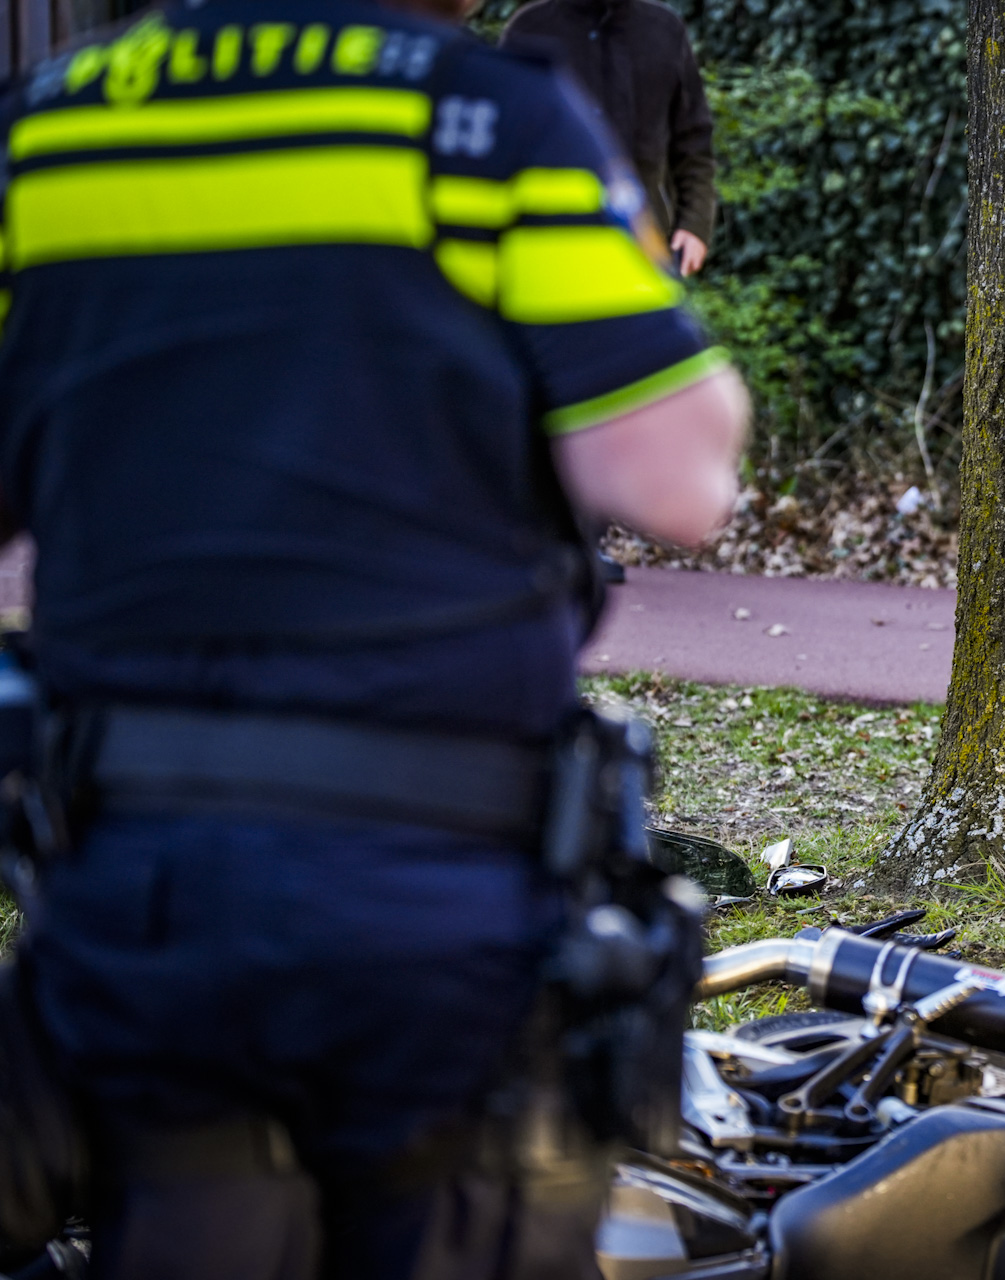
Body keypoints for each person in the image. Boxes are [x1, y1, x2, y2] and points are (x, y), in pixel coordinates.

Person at [0, 0, 749, 1270]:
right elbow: (679, 479)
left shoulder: (56, 133)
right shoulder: (486, 124)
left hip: (139, 896)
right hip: (430, 906)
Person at [501, 0, 716, 278]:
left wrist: (695, 225)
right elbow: (502, 142)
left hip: (644, 251)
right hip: (549, 250)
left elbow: (694, 145)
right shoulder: (529, 29)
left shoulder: (665, 30)